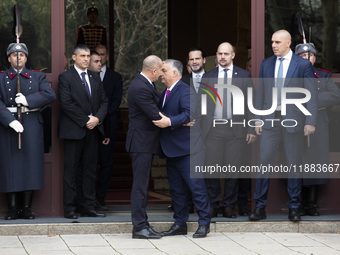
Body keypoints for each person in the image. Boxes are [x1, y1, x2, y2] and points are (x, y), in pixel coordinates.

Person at [249, 30, 317, 222]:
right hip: (270, 120)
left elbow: (310, 94)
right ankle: (259, 207)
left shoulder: (302, 64)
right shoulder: (266, 63)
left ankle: (294, 207)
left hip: (293, 120)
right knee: (263, 163)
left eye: (277, 42)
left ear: (288, 43)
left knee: (293, 164)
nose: (273, 45)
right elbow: (260, 94)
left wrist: (310, 121)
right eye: (272, 42)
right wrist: (257, 118)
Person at [153, 59, 210, 238]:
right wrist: (177, 120)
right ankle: (180, 224)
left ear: (175, 73)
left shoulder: (186, 91)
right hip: (172, 150)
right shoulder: (165, 93)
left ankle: (204, 224)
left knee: (197, 188)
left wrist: (170, 121)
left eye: (164, 70)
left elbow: (189, 114)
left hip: (189, 150)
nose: (161, 74)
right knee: (176, 190)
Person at [199, 42, 256, 218]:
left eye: (226, 54)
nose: (222, 57)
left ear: (233, 55)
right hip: (213, 129)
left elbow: (250, 104)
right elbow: (202, 106)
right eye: (219, 54)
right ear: (216, 55)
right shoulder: (207, 77)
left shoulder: (244, 75)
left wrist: (252, 128)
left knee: (233, 170)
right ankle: (214, 205)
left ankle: (229, 205)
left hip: (235, 130)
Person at [0, 42, 56, 220]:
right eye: (15, 54)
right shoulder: (1, 78)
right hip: (7, 125)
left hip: (31, 123)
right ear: (8, 58)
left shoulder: (37, 77)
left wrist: (27, 100)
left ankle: (26, 208)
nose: (18, 57)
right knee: (10, 166)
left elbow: (50, 95)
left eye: (22, 54)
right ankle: (12, 208)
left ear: (26, 57)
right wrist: (9, 121)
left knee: (30, 166)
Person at [58, 44, 108, 219]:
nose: (86, 59)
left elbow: (104, 102)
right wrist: (86, 120)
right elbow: (66, 104)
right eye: (82, 56)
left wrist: (97, 119)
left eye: (88, 56)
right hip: (74, 130)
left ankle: (88, 206)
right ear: (74, 58)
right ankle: (70, 208)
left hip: (93, 130)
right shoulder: (65, 77)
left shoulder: (95, 77)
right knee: (71, 170)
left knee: (89, 170)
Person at [295, 42, 340, 216]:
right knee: (297, 161)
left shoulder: (323, 76)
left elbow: (336, 95)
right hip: (296, 123)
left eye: (310, 56)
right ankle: (297, 202)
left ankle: (311, 203)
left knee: (315, 163)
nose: (307, 58)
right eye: (303, 56)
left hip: (319, 124)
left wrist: (311, 100)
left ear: (314, 58)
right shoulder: (291, 76)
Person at [125, 55, 163, 239]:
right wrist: (180, 121)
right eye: (161, 70)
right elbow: (154, 114)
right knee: (140, 186)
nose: (161, 74)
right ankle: (139, 227)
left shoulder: (145, 83)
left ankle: (143, 223)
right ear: (153, 70)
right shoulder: (140, 87)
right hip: (141, 143)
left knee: (142, 185)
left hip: (144, 143)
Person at [94, 44, 123, 211]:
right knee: (89, 163)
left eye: (102, 54)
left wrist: (101, 116)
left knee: (107, 163)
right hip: (90, 126)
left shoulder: (115, 77)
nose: (100, 57)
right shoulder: (88, 75)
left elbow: (116, 101)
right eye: (97, 54)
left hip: (108, 125)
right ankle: (88, 197)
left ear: (107, 57)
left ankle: (101, 197)